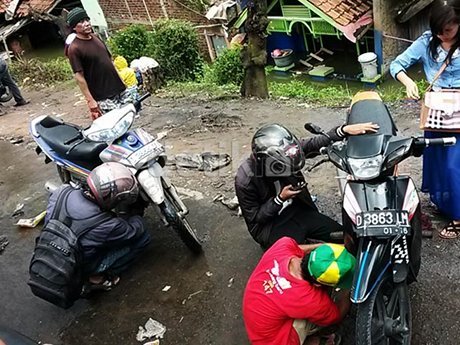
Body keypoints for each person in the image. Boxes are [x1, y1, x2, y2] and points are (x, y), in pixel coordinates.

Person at [235, 122, 379, 249]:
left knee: (345, 236)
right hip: (270, 227)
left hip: (299, 212)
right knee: (297, 260)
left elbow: (313, 144)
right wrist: (279, 199)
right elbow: (255, 218)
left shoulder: (287, 152)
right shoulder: (245, 180)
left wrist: (343, 130)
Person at [390, 0, 460, 239]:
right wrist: (408, 81)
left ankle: (459, 217)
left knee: (453, 165)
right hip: (436, 112)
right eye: (439, 29)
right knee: (437, 161)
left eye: (449, 30)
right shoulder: (426, 42)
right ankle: (446, 204)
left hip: (459, 113)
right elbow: (396, 64)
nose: (443, 34)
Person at [45, 162, 150, 291]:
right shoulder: (107, 224)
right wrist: (136, 213)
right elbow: (135, 230)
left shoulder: (61, 192)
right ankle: (96, 277)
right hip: (75, 266)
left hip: (48, 250)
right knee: (143, 238)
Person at [243, 237, 355, 345]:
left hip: (256, 319)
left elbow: (300, 248)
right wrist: (351, 289)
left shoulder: (282, 246)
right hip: (272, 342)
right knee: (322, 313)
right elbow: (336, 315)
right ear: (316, 284)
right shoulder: (309, 298)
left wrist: (325, 249)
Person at [65, 7, 132, 120]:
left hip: (118, 89)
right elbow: (79, 77)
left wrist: (121, 81)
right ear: (74, 27)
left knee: (128, 118)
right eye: (81, 22)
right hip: (102, 95)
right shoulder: (74, 48)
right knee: (115, 123)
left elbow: (109, 61)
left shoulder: (96, 37)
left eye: (87, 20)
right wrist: (90, 101)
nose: (86, 24)